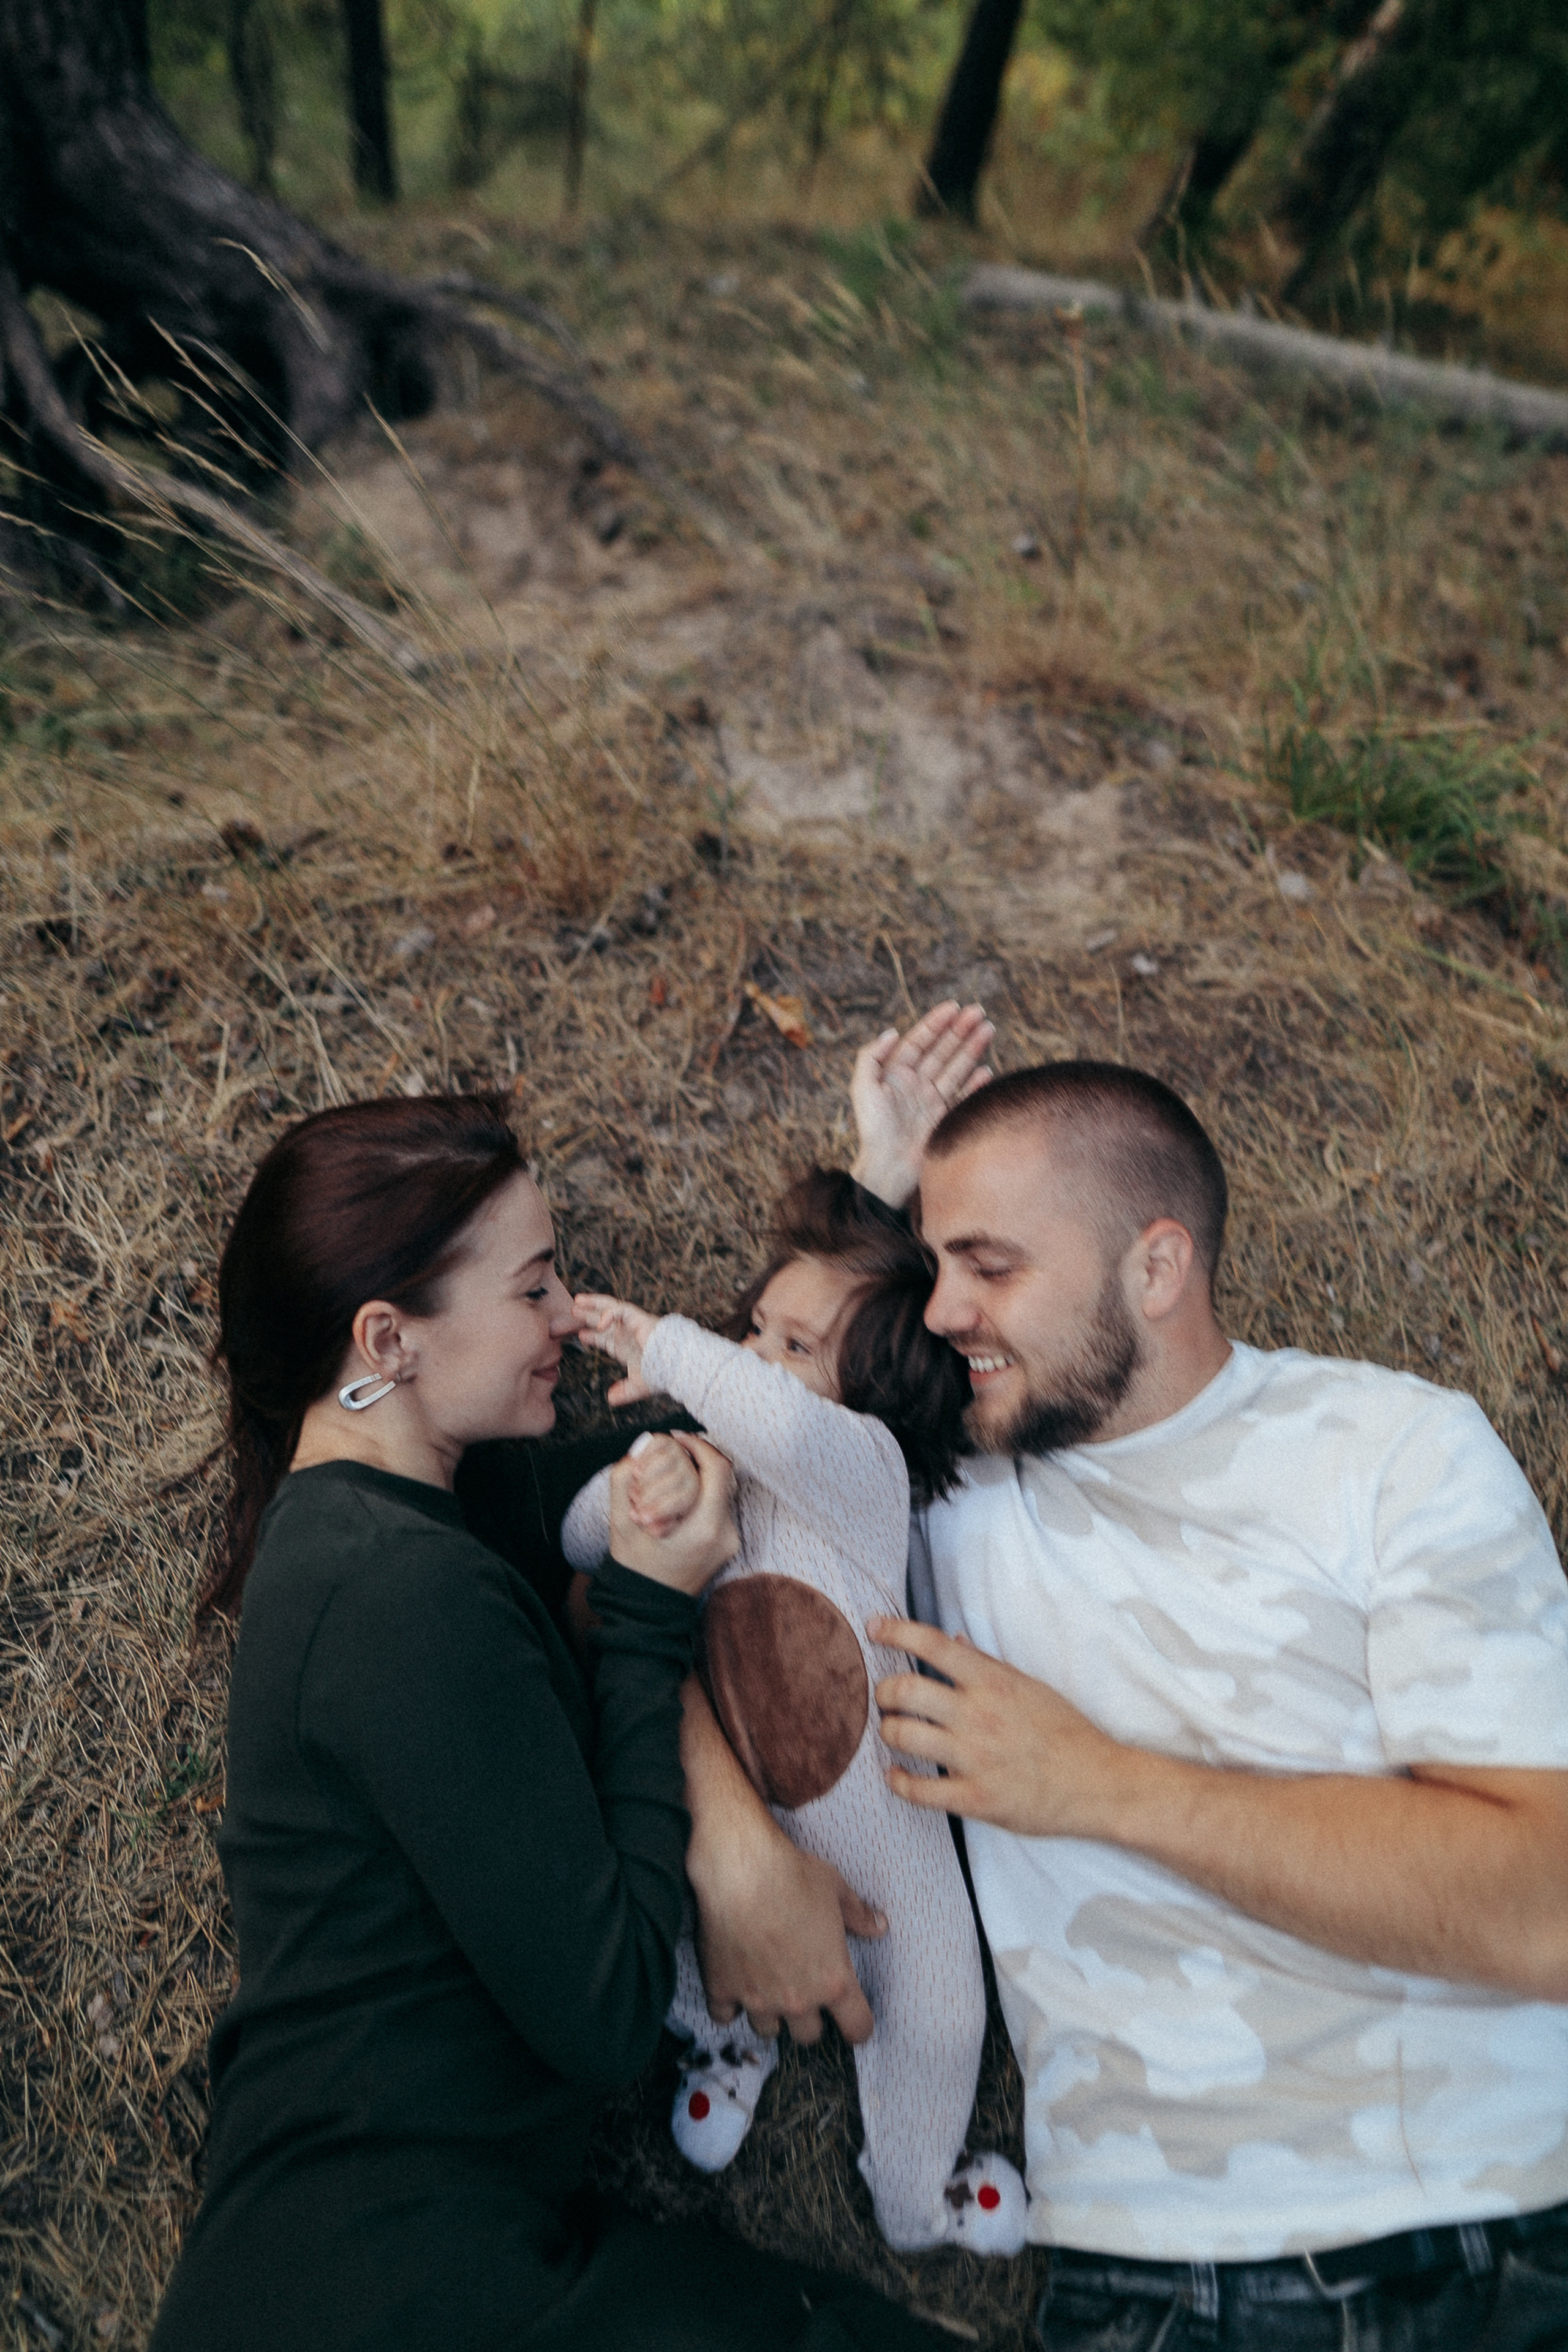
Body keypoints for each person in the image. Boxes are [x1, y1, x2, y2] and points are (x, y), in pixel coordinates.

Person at [685, 1009, 1568, 2351]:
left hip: (1495, 2221)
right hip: (1157, 2275)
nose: (943, 1311)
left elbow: (1542, 1909)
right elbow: (689, 1500)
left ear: (1157, 1267)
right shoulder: (934, 1481)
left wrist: (1095, 1785)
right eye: (931, 1266)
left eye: (987, 1265)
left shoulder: (1391, 1451)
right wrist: (731, 1849)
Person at [149, 1092, 947, 2352]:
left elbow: (747, 1437)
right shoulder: (391, 1593)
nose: (570, 1317)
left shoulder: (410, 1518)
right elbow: (612, 2013)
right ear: (387, 1339)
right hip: (385, 2287)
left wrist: (864, 1223)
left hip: (411, 2258)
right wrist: (644, 1614)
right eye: (533, 1289)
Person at [566, 1168, 1026, 2255]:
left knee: (942, 2012)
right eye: (754, 1331)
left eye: (796, 1346)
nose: (755, 1359)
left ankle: (915, 2197)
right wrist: (644, 1491)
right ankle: (728, 2042)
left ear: (879, 1395)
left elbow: (787, 1428)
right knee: (655, 1912)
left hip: (886, 1833)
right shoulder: (702, 1460)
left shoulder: (866, 1475)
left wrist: (666, 1346)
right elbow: (583, 1544)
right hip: (732, 1806)